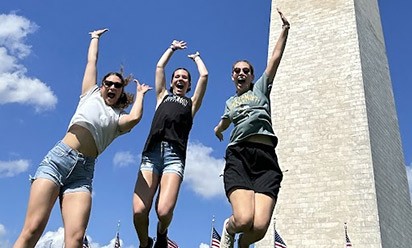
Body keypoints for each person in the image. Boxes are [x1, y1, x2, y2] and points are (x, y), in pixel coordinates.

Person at [13, 28, 152, 248]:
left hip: (83, 173)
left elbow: (135, 118)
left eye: (117, 85)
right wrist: (94, 39)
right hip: (58, 161)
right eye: (108, 83)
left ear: (121, 92)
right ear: (102, 86)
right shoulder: (90, 93)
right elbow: (91, 62)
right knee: (32, 229)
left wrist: (142, 95)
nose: (112, 87)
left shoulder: (117, 120)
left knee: (76, 239)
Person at [214, 9, 290, 248]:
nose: (241, 73)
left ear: (252, 76)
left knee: (258, 228)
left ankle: (243, 245)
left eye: (246, 71)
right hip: (240, 155)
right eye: (237, 71)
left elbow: (275, 60)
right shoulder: (230, 102)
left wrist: (284, 31)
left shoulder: (260, 90)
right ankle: (229, 228)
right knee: (244, 218)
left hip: (266, 159)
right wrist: (218, 129)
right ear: (232, 76)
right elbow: (226, 120)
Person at [132, 40, 208, 248]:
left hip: (174, 157)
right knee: (139, 211)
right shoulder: (162, 96)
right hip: (151, 154)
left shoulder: (191, 103)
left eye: (184, 78)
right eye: (177, 77)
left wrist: (196, 58)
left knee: (164, 211)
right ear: (172, 82)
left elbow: (204, 76)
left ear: (188, 85)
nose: (180, 79)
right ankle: (145, 243)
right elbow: (159, 67)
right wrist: (172, 49)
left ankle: (161, 232)